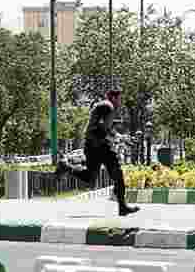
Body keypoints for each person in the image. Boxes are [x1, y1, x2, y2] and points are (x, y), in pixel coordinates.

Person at [55, 89, 140, 217]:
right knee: (117, 175)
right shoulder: (108, 106)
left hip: (92, 145)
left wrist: (122, 138)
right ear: (113, 97)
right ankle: (122, 207)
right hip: (99, 146)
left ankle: (66, 167)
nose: (120, 102)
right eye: (119, 98)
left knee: (90, 177)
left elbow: (106, 128)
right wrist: (116, 139)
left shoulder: (104, 106)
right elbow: (102, 128)